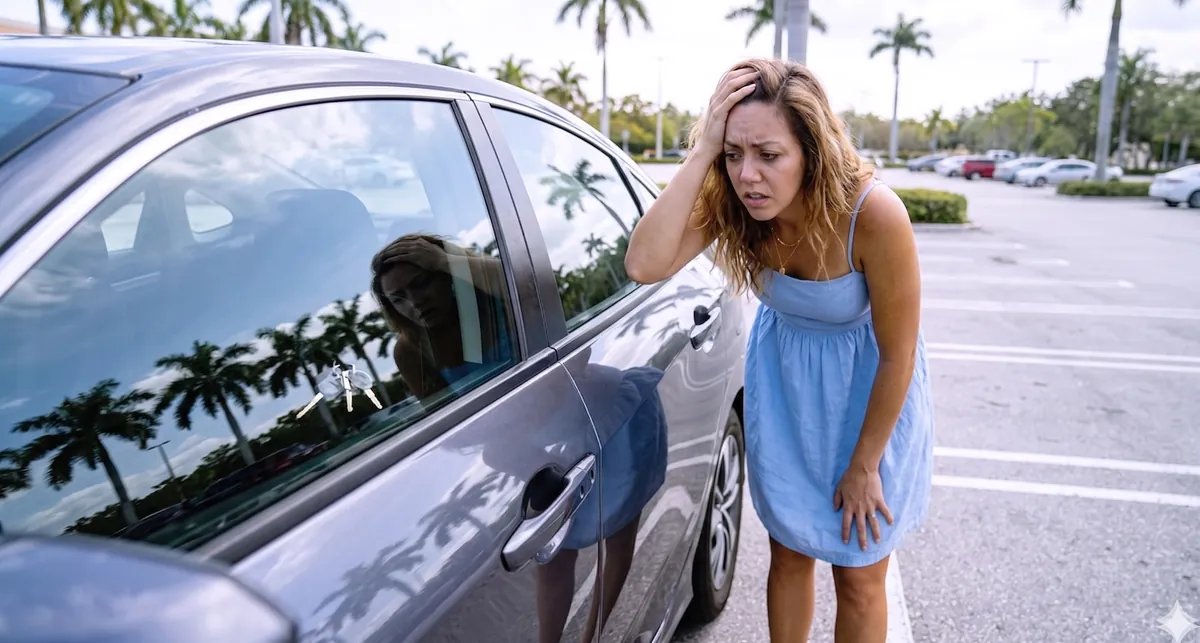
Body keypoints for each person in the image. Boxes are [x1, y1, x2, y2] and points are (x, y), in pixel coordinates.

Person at [624, 58, 934, 643]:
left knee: (859, 576)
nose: (748, 176)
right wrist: (701, 151)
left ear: (811, 153)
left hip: (867, 398)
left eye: (769, 155)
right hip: (789, 394)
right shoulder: (735, 207)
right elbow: (644, 263)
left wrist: (866, 464)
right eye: (734, 154)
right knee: (789, 556)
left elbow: (900, 354)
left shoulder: (873, 215)